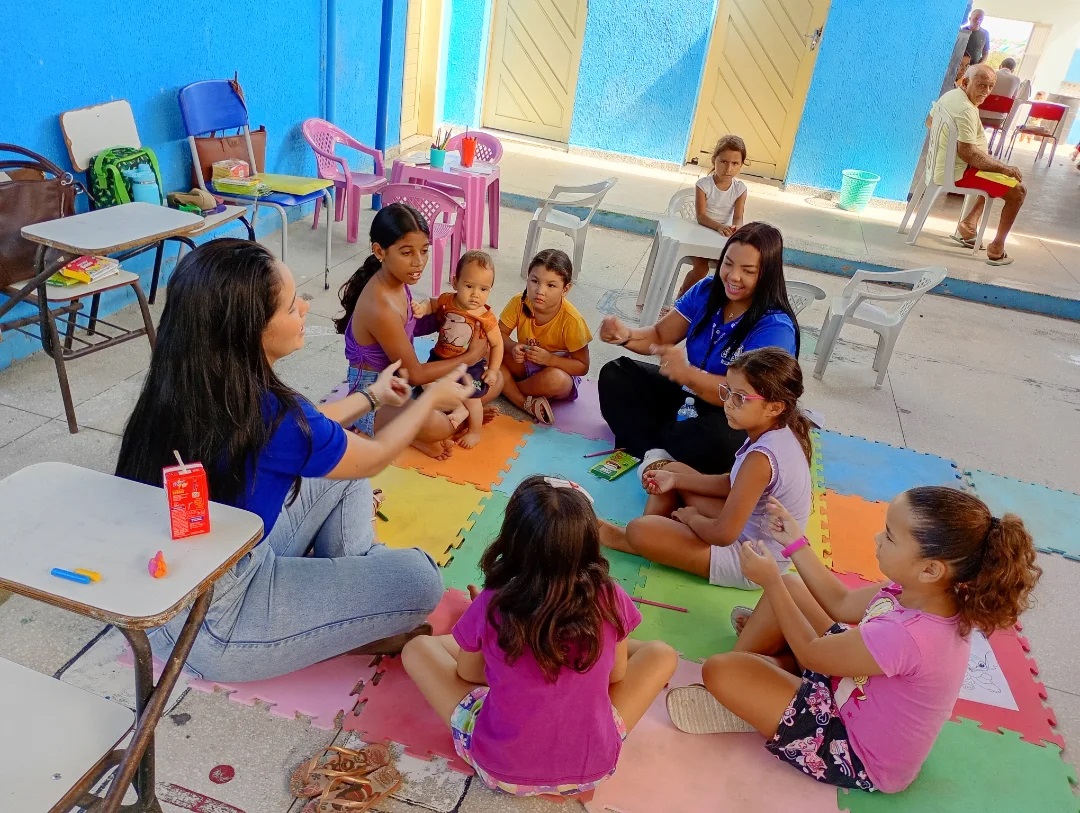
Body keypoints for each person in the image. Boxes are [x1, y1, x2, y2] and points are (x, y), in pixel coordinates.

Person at [116, 239, 475, 682]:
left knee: (339, 470)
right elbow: (374, 457)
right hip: (222, 625)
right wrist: (431, 400)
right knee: (422, 579)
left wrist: (371, 396)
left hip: (179, 590)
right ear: (250, 330)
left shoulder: (189, 383)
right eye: (290, 306)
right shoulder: (272, 412)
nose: (305, 307)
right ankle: (347, 614)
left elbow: (310, 433)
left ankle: (341, 611)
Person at [666, 491, 1041, 794]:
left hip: (850, 749)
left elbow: (815, 654)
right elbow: (841, 603)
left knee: (723, 669)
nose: (878, 539)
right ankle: (765, 678)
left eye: (890, 537)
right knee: (794, 589)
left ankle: (755, 683)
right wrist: (794, 542)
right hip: (848, 685)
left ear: (930, 569)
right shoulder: (921, 591)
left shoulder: (910, 635)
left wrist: (770, 582)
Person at [402, 476, 678, 796]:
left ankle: (470, 637)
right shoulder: (610, 596)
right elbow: (616, 676)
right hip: (592, 770)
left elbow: (469, 674)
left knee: (417, 648)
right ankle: (610, 641)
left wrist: (482, 624)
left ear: (511, 540)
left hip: (500, 770)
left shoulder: (493, 601)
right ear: (590, 541)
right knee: (662, 654)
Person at [599, 348, 811, 589]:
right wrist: (675, 480)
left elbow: (723, 534)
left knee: (640, 531)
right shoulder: (774, 430)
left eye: (740, 398)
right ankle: (660, 534)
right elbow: (730, 484)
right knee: (674, 470)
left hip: (752, 560)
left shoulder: (760, 459)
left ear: (775, 407)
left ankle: (634, 540)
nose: (728, 404)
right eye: (728, 391)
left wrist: (692, 518)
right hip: (745, 527)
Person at [598, 222, 798, 475]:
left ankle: (652, 445)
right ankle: (661, 453)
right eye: (728, 264)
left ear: (767, 274)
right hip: (689, 396)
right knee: (616, 374)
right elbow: (660, 335)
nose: (733, 276)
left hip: (732, 411)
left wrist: (687, 374)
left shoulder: (775, 327)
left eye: (748, 271)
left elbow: (743, 395)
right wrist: (625, 335)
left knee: (722, 441)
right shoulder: (706, 290)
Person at [337, 203, 500, 459]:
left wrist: (448, 315)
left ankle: (431, 425)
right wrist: (468, 357)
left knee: (492, 383)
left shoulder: (398, 282)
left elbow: (410, 327)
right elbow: (414, 374)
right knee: (440, 425)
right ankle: (416, 435)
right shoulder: (380, 305)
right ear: (380, 251)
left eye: (424, 250)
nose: (419, 262)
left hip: (402, 384)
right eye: (407, 252)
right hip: (372, 397)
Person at [928, 64, 1026, 266]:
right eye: (981, 85)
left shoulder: (951, 96)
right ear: (966, 82)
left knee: (999, 177)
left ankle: (969, 223)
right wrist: (1004, 168)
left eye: (990, 86)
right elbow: (969, 154)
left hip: (948, 165)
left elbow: (929, 121)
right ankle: (997, 248)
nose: (986, 92)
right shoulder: (965, 109)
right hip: (959, 171)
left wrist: (947, 143)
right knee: (1017, 191)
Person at [412, 251, 504, 448]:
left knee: (473, 398)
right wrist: (422, 308)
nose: (475, 294)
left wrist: (493, 370)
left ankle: (474, 430)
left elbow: (497, 344)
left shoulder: (486, 318)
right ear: (455, 282)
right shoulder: (448, 301)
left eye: (483, 289)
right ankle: (459, 410)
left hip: (471, 368)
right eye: (469, 286)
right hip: (440, 359)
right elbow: (432, 303)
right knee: (425, 386)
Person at [500, 249, 592, 424]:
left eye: (551, 285)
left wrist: (550, 359)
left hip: (556, 371)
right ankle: (522, 401)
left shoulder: (572, 320)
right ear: (527, 278)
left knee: (556, 380)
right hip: (525, 363)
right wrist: (513, 347)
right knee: (487, 348)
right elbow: (499, 333)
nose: (540, 291)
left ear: (565, 289)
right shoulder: (519, 302)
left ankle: (506, 388)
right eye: (535, 281)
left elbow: (582, 366)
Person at [677, 135, 748, 298]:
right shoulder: (703, 185)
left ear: (741, 165)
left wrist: (738, 229)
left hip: (722, 238)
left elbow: (738, 217)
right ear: (714, 160)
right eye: (723, 161)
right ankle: (681, 298)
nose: (728, 168)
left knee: (730, 271)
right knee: (701, 270)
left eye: (735, 163)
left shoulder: (740, 189)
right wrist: (719, 227)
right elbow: (701, 216)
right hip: (700, 235)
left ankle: (711, 306)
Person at [980, 57, 1020, 129]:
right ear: (1013, 70)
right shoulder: (1017, 80)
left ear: (1000, 66)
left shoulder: (990, 74)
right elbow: (1013, 98)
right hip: (998, 120)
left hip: (980, 115)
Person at [956, 9, 990, 83]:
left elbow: (986, 52)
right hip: (958, 69)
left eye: (981, 19)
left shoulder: (985, 33)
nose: (978, 21)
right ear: (970, 18)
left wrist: (979, 65)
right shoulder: (962, 31)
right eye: (975, 19)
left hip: (974, 70)